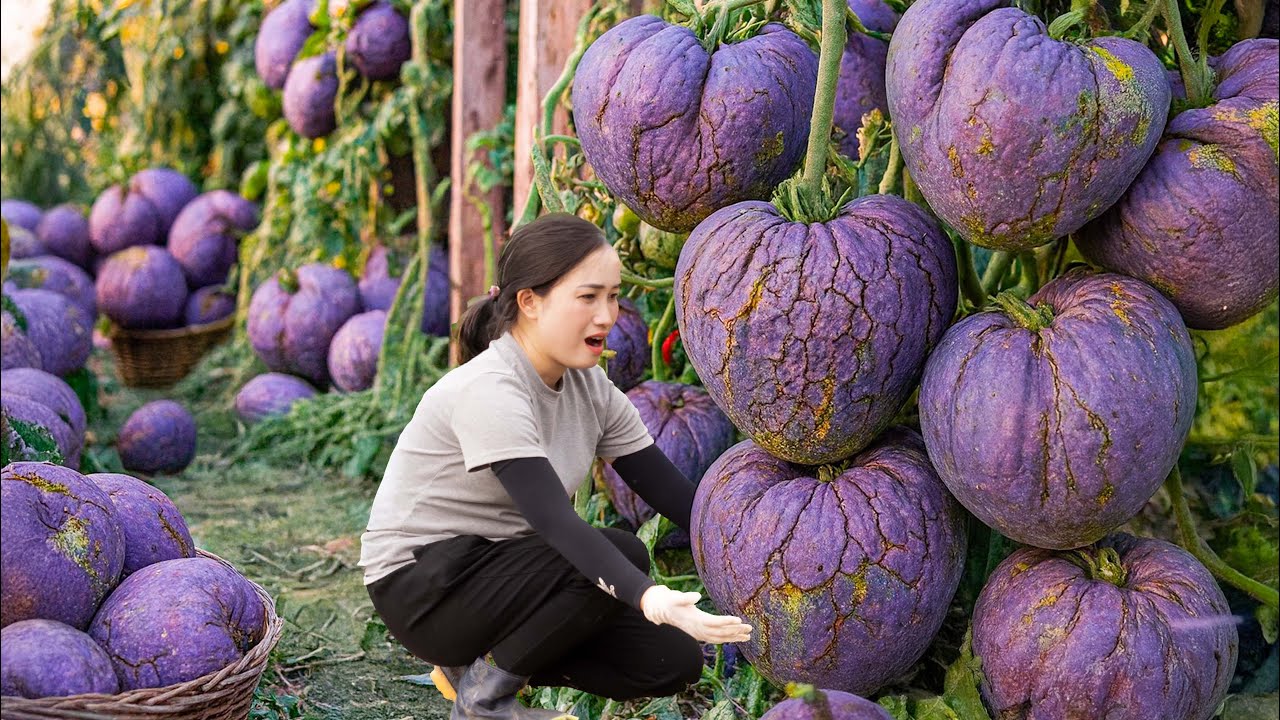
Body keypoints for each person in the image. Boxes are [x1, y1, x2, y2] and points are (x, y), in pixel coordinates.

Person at [359, 213, 753, 720]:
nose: (607, 315)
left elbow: (674, 495)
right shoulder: (492, 389)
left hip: (502, 578)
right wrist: (649, 596)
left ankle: (471, 670)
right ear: (530, 302)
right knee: (621, 554)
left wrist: (754, 551)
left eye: (612, 296)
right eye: (587, 297)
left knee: (670, 660)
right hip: (422, 587)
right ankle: (484, 701)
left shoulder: (589, 388)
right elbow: (555, 522)